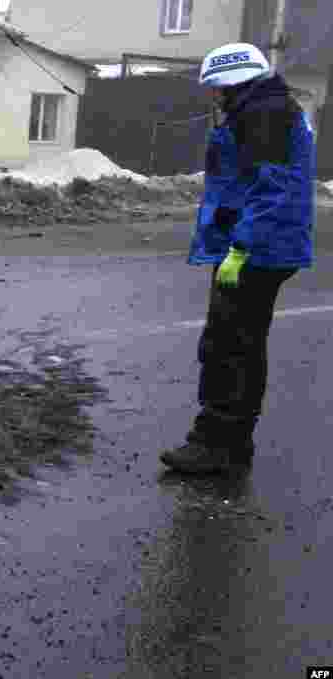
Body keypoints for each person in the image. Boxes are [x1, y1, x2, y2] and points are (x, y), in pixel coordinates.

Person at [160, 42, 315, 475]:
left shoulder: (265, 114)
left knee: (230, 346)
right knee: (236, 343)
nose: (213, 96)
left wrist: (240, 249)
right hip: (257, 244)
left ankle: (216, 444)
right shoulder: (262, 109)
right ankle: (230, 443)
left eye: (216, 87)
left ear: (234, 81)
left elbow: (274, 190)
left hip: (256, 250)